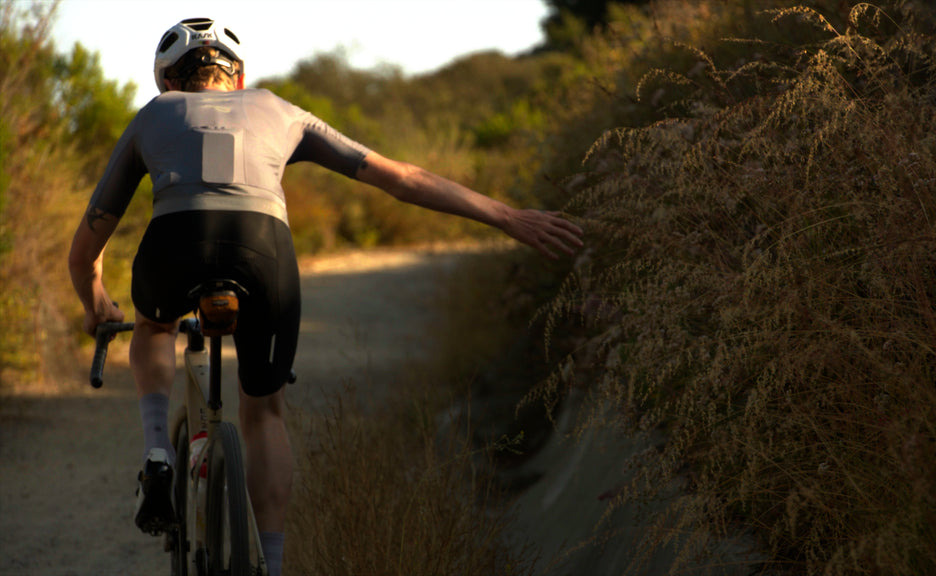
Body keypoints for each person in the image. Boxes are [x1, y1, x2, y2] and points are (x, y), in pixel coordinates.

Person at [67, 17, 583, 576]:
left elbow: (88, 243)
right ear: (237, 78)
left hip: (175, 247)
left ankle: (156, 452)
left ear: (167, 81)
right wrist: (508, 215)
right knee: (263, 410)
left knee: (156, 328)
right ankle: (274, 561)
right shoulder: (280, 110)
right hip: (263, 252)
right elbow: (400, 177)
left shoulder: (154, 116)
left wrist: (96, 301)